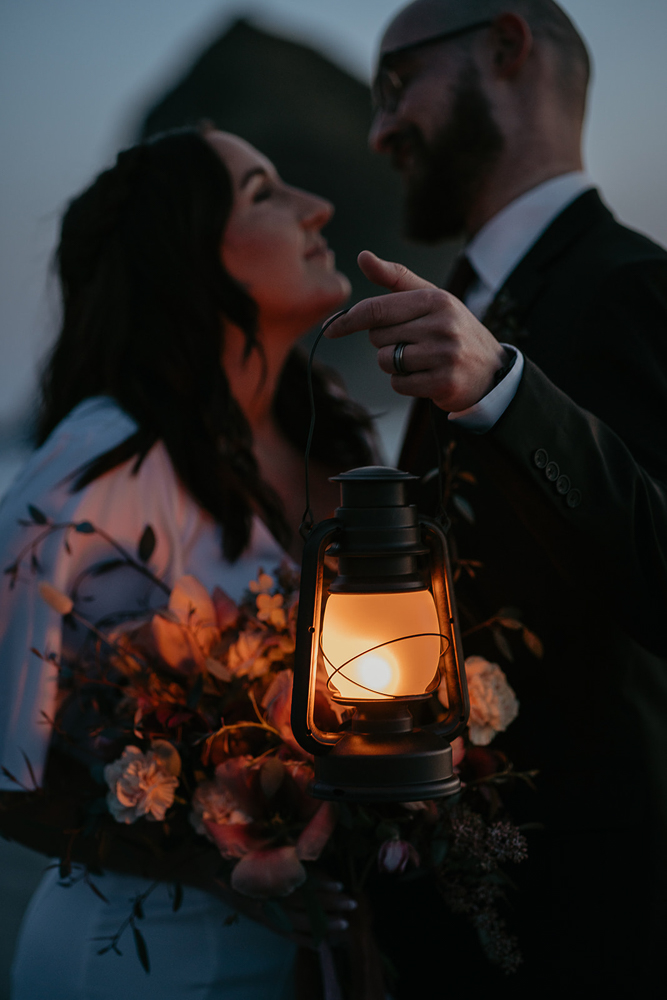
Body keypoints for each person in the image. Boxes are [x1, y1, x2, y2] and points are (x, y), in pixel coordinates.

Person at [325, 0, 667, 992]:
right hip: (450, 911)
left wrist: (506, 392)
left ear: (506, 46)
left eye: (395, 87)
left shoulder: (632, 287)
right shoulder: (467, 297)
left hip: (583, 919)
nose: (380, 129)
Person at [0, 127, 375, 999]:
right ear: (184, 257)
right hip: (140, 961)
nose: (314, 207)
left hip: (297, 962)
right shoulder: (105, 463)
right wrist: (216, 867)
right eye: (262, 193)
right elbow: (8, 779)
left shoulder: (327, 423)